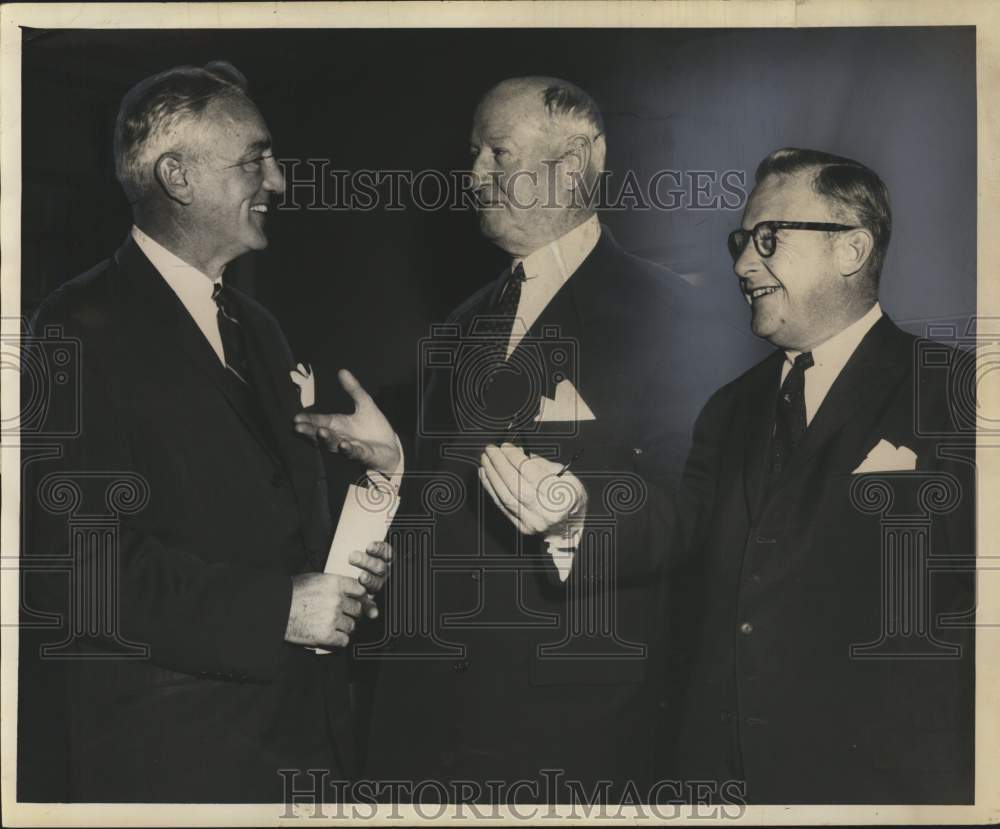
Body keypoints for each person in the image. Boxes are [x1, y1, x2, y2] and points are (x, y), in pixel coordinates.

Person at [296, 76, 742, 800]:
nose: (473, 176)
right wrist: (398, 467)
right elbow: (454, 510)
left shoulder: (676, 318)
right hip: (422, 726)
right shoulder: (460, 324)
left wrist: (576, 519)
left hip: (565, 731)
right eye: (474, 154)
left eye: (496, 153)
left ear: (574, 164)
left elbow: (693, 512)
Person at [19, 61, 394, 803]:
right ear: (178, 176)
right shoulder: (76, 325)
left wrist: (371, 503)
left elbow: (272, 526)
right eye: (255, 158)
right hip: (175, 763)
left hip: (303, 743)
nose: (280, 181)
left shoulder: (261, 329)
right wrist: (278, 609)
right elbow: (80, 567)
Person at [672, 147, 975, 803]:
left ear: (852, 249)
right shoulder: (727, 410)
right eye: (740, 241)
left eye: (768, 238)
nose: (743, 263)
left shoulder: (959, 393)